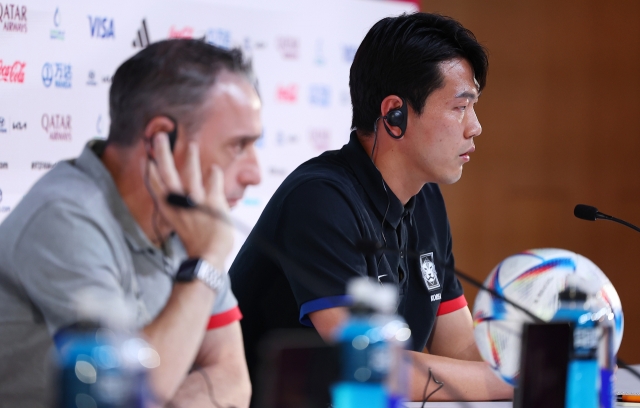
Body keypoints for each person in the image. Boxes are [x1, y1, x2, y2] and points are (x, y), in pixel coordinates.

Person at [229, 13, 513, 402]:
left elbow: (460, 347)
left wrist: (532, 364)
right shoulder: (319, 199)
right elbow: (366, 365)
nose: (475, 127)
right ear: (394, 115)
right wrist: (512, 380)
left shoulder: (426, 198)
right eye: (459, 108)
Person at [0, 39, 261, 407]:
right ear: (161, 141)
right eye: (238, 146)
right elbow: (119, 393)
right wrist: (206, 260)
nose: (255, 173)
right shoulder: (63, 217)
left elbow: (233, 379)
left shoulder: (188, 217)